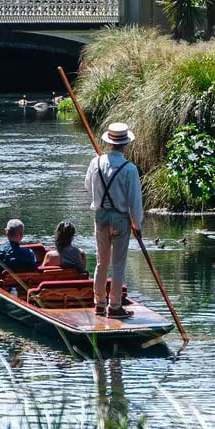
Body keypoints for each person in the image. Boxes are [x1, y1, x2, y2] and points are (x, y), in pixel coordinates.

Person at [87, 122, 144, 317]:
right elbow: (135, 200)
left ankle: (99, 303)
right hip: (120, 219)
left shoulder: (96, 162)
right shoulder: (130, 169)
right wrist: (137, 224)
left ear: (109, 143)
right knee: (118, 264)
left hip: (100, 216)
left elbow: (88, 186)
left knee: (101, 262)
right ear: (125, 144)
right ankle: (115, 306)